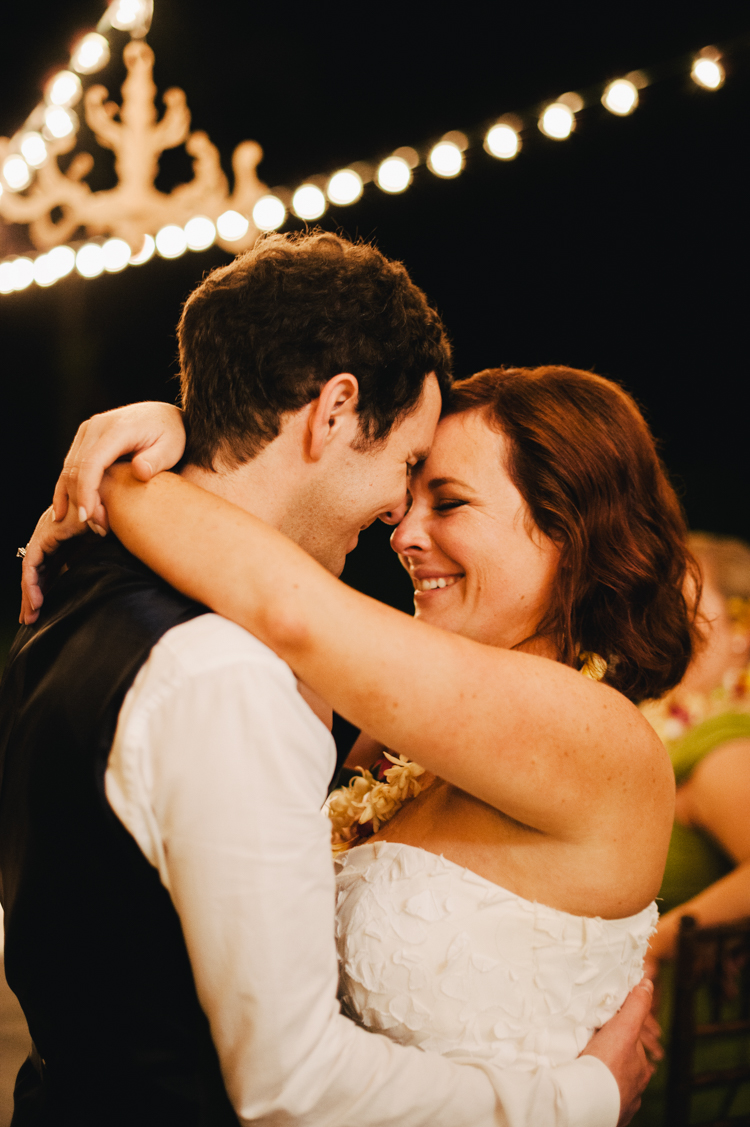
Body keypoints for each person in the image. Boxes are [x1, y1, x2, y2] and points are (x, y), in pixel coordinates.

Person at [0, 233, 655, 1127]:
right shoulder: (298, 703)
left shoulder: (590, 733)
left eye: (446, 499)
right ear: (336, 409)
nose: (401, 521)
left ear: (570, 533)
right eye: (409, 475)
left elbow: (293, 604)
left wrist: (128, 475)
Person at [635, 533, 750, 1125]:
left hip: (677, 1046)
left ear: (742, 633)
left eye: (683, 606)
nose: (662, 623)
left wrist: (660, 942)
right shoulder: (658, 730)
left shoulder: (723, 741)